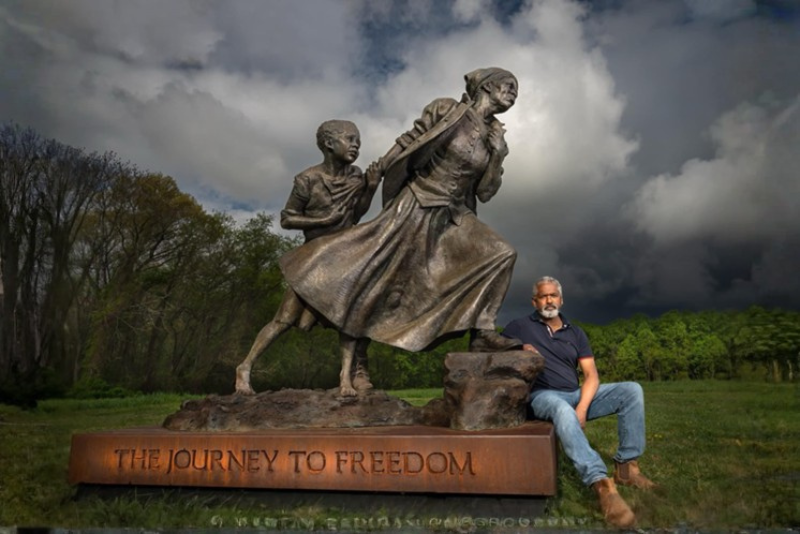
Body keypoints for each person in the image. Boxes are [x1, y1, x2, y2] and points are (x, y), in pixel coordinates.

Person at [279, 67, 523, 368]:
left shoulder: (495, 136)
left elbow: (485, 193)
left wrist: (498, 154)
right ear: (486, 86)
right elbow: (411, 139)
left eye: (516, 89)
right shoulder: (447, 109)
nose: (513, 92)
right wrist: (380, 170)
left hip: (455, 215)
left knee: (502, 253)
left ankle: (483, 331)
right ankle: (358, 363)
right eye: (508, 85)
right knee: (379, 282)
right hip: (415, 205)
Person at [234, 120, 379, 395]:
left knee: (349, 319)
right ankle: (245, 366)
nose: (356, 145)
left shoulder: (356, 176)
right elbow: (287, 218)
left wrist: (370, 188)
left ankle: (345, 380)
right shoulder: (307, 179)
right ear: (328, 143)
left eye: (358, 140)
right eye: (350, 139)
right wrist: (323, 218)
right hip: (314, 261)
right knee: (283, 319)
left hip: (344, 257)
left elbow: (356, 214)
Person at [502, 276, 656, 529]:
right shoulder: (519, 327)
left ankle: (628, 468)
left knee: (631, 390)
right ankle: (601, 484)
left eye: (553, 295)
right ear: (534, 301)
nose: (549, 300)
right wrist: (517, 347)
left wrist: (582, 408)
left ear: (561, 299)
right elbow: (488, 346)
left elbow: (591, 375)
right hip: (543, 396)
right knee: (562, 409)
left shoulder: (576, 332)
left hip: (576, 393)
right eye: (543, 296)